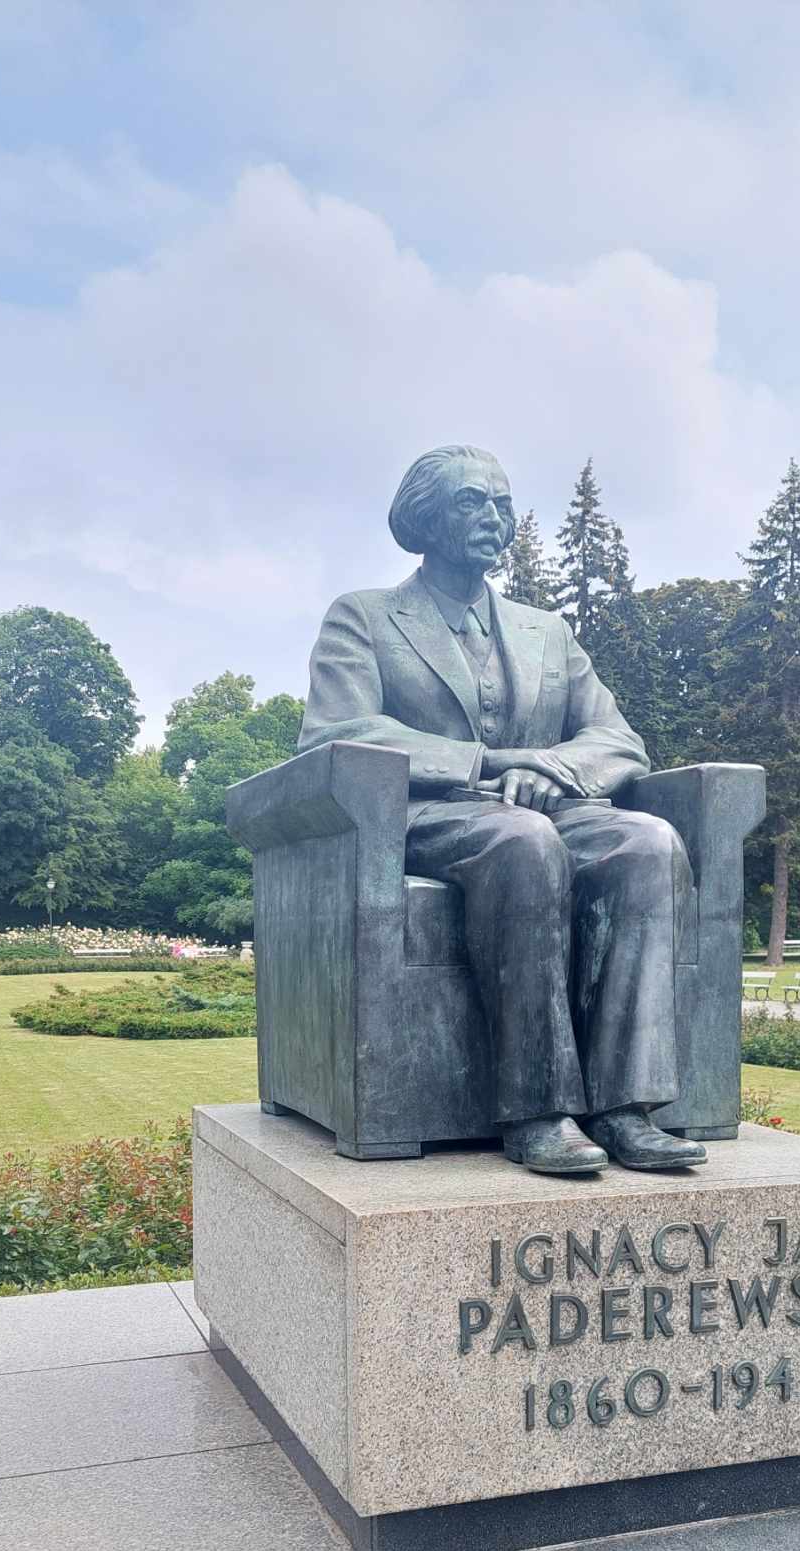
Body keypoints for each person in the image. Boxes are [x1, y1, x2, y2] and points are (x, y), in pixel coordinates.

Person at [300, 443, 702, 1177]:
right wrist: (488, 761)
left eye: (503, 503)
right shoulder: (364, 618)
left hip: (544, 806)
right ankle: (537, 1110)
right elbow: (341, 731)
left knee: (646, 841)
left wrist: (555, 769)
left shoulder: (546, 631)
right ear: (425, 518)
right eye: (471, 501)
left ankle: (625, 1106)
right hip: (424, 816)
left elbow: (617, 738)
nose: (495, 517)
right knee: (522, 841)